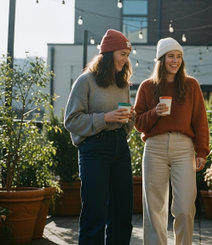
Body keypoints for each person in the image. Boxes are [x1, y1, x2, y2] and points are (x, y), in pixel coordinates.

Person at [134, 37, 209, 245]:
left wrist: (202, 152)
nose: (175, 61)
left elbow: (200, 120)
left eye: (178, 57)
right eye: (170, 56)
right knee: (154, 208)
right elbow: (138, 123)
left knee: (185, 207)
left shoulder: (191, 85)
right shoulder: (147, 87)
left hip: (183, 148)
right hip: (154, 148)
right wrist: (155, 113)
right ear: (161, 59)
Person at [64, 29, 134, 244]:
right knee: (95, 212)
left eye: (127, 54)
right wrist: (106, 117)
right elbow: (71, 121)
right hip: (94, 149)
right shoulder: (85, 81)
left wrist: (129, 118)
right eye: (122, 53)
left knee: (122, 211)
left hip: (119, 147)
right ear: (108, 53)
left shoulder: (122, 83)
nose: (126, 59)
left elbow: (124, 122)